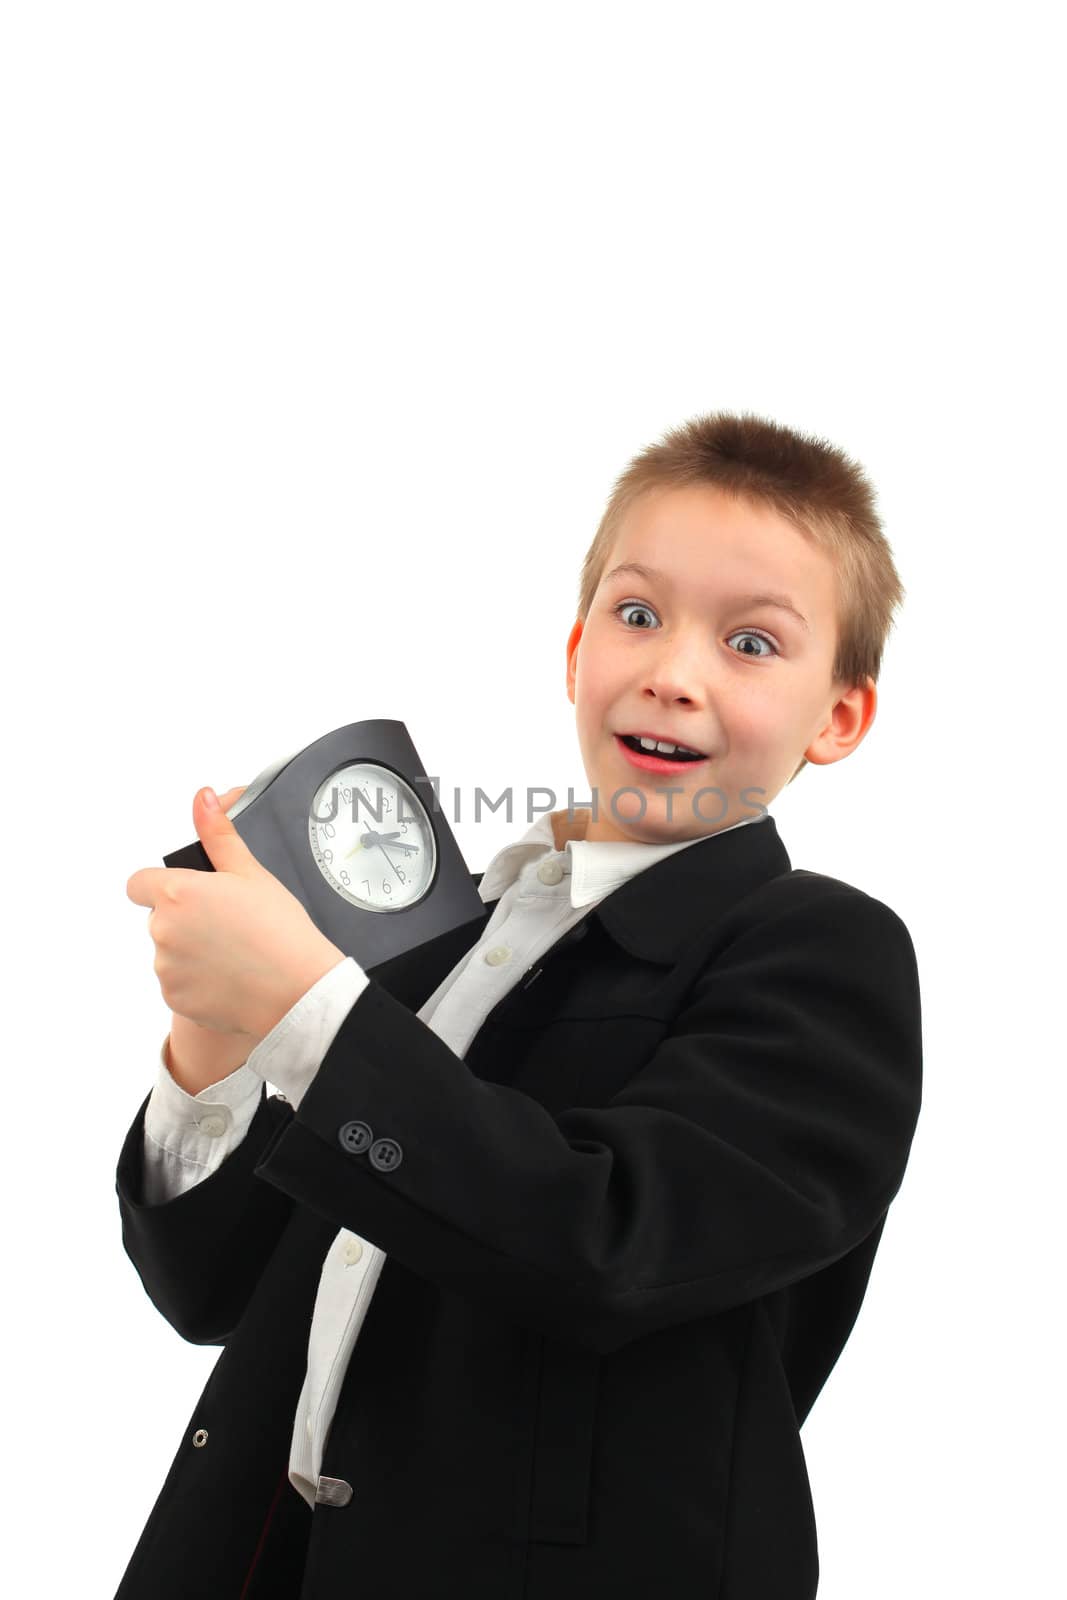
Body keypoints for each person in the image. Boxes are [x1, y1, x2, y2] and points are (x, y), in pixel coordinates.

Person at [116, 410, 923, 1599]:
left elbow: (607, 1244)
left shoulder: (819, 950)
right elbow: (208, 1290)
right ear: (573, 648)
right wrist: (222, 1045)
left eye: (751, 643)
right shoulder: (441, 949)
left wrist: (306, 1009)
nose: (671, 672)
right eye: (635, 614)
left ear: (839, 715)